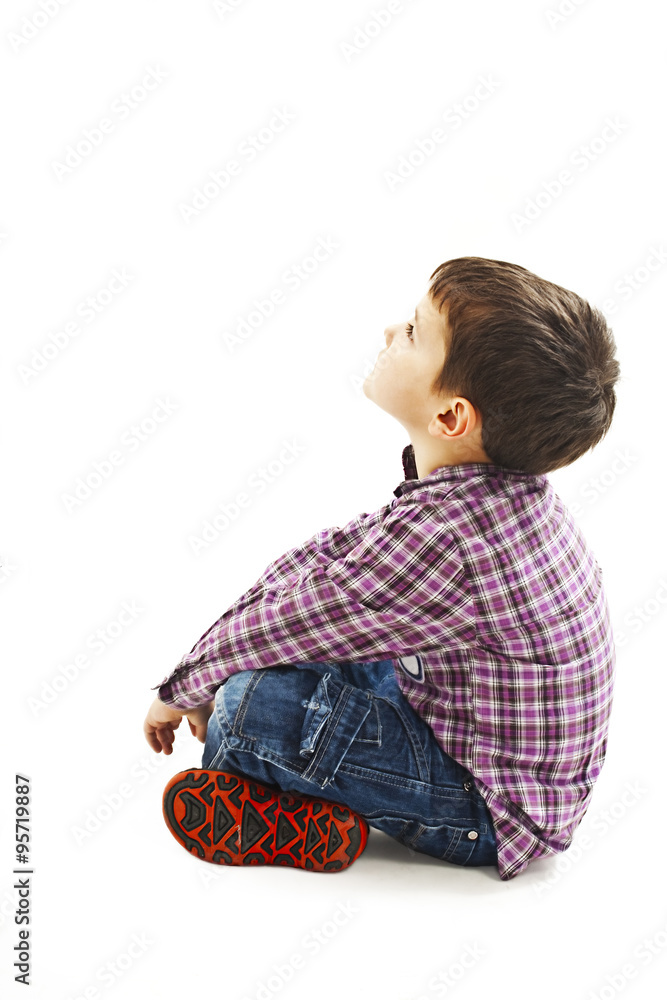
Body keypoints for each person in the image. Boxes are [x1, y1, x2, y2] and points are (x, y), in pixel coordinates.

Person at [143, 256, 620, 880]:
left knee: (243, 703)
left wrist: (184, 687)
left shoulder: (449, 541)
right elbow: (325, 569)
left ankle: (294, 816)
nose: (390, 332)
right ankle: (300, 790)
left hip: (492, 808)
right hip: (455, 707)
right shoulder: (490, 492)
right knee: (280, 648)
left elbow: (301, 614)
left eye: (416, 332)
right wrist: (221, 655)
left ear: (452, 416)